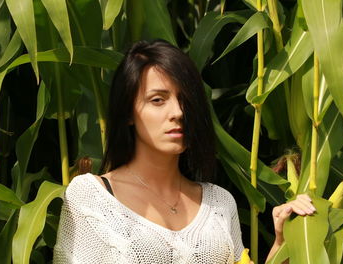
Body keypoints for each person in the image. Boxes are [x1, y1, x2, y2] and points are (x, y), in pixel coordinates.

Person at [53, 39, 316, 263]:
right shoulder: (92, 198)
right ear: (128, 112)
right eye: (158, 100)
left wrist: (283, 241)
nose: (178, 113)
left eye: (185, 100)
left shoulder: (220, 204)